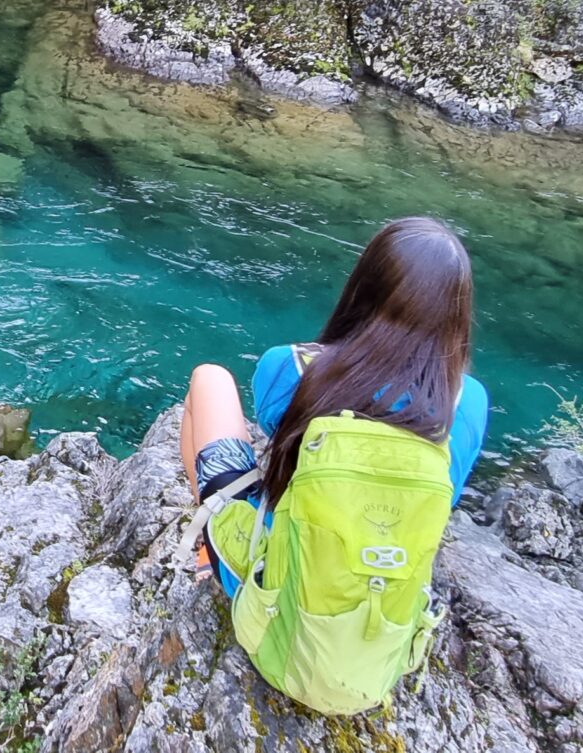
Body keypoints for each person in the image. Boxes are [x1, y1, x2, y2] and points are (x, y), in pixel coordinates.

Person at [176, 216, 489, 713]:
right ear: (456, 316)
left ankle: (209, 549)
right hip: (374, 634)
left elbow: (276, 441)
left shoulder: (292, 366)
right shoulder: (467, 404)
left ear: (363, 288)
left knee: (209, 379)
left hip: (273, 604)